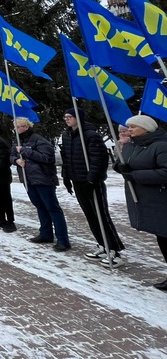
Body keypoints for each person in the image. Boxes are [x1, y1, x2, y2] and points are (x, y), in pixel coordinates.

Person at [61, 107, 125, 265]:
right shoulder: (67, 135)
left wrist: (91, 180)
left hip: (91, 182)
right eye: (65, 117)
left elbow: (99, 160)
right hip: (77, 181)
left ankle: (114, 250)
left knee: (101, 215)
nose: (67, 119)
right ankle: (103, 245)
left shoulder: (90, 135)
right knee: (90, 215)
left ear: (78, 117)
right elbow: (66, 158)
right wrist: (66, 177)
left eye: (70, 116)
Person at [113, 114, 167, 291]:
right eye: (128, 127)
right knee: (162, 237)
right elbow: (124, 162)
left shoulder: (161, 146)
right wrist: (119, 167)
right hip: (145, 200)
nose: (129, 130)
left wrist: (135, 175)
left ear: (146, 128)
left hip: (161, 199)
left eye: (133, 127)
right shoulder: (131, 145)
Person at [11, 117, 69, 248]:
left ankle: (63, 239)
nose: (15, 130)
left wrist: (25, 151)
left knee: (53, 208)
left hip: (43, 179)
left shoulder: (39, 140)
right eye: (14, 127)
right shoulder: (17, 141)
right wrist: (16, 160)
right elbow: (12, 155)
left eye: (18, 127)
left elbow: (47, 158)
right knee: (40, 206)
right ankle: (46, 233)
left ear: (26, 127)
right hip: (28, 179)